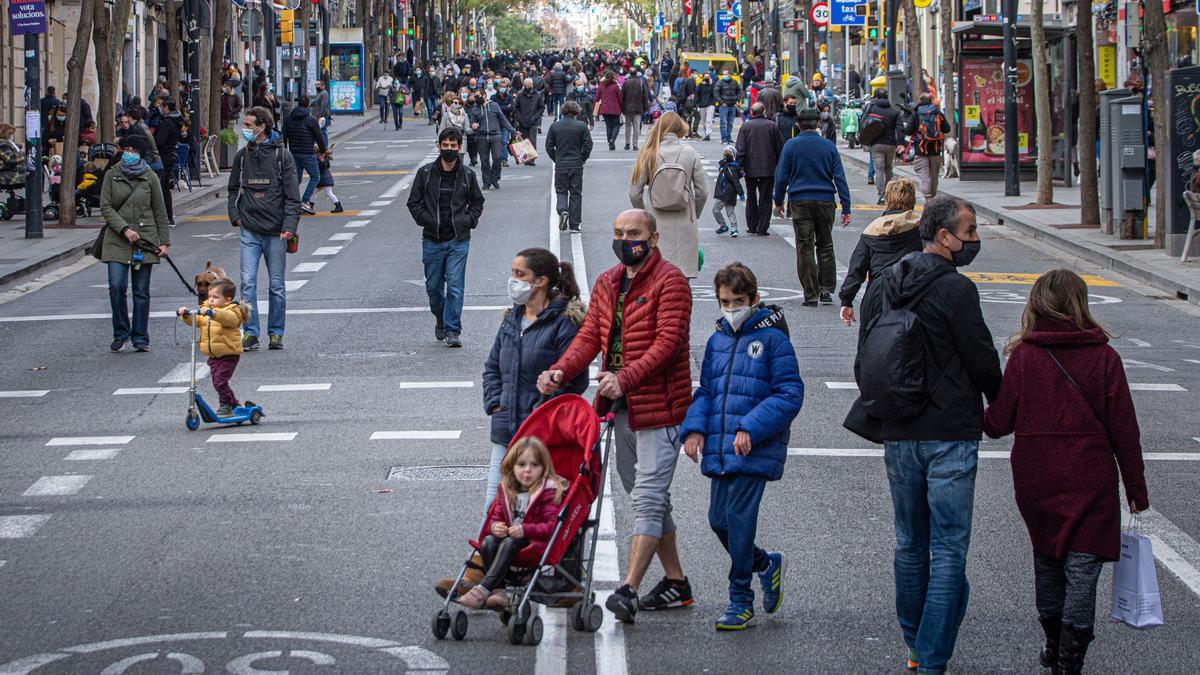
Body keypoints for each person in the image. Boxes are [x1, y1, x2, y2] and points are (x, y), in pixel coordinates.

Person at [851, 197, 1002, 675]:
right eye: (970, 230)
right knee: (950, 548)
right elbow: (980, 357)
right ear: (944, 236)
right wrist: (1002, 400)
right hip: (949, 431)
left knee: (910, 544)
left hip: (898, 428)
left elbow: (868, 354)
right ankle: (933, 659)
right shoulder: (957, 289)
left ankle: (916, 647)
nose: (974, 239)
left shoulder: (884, 284)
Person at [983, 269, 1149, 675]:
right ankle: (1071, 658)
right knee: (1082, 568)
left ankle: (1053, 642)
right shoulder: (1105, 357)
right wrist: (1136, 488)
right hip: (1088, 474)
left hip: (1036, 475)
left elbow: (998, 423)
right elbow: (1124, 428)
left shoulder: (1024, 356)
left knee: (1047, 559)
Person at [537, 208, 694, 624]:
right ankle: (676, 582)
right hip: (621, 407)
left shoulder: (671, 282)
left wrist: (624, 379)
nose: (626, 239)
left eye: (634, 233)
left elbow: (668, 344)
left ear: (654, 238)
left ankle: (628, 588)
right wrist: (561, 370)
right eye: (619, 232)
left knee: (647, 496)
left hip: (660, 406)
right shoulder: (608, 281)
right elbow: (591, 335)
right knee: (646, 494)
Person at [681, 262, 803, 631]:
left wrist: (750, 426)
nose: (730, 308)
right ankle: (764, 564)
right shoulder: (718, 339)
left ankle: (740, 600)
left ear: (754, 299)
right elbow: (707, 391)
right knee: (718, 520)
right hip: (721, 448)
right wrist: (694, 429)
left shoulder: (772, 339)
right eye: (724, 301)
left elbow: (790, 392)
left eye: (738, 301)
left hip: (754, 448)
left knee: (738, 520)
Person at [458, 436, 569, 610]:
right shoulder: (507, 489)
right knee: (488, 542)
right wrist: (495, 526)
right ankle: (498, 591)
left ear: (544, 468)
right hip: (510, 539)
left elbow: (550, 526)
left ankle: (484, 588)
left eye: (534, 465)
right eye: (522, 465)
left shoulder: (548, 490)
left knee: (509, 542)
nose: (527, 471)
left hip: (533, 542)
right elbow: (495, 517)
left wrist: (525, 529)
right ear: (512, 466)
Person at [228, 106, 301, 352]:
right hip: (249, 228)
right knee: (247, 283)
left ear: (262, 126)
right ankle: (251, 333)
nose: (244, 130)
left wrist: (289, 226)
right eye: (244, 125)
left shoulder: (282, 156)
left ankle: (276, 333)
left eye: (248, 125)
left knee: (276, 285)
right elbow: (232, 189)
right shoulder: (242, 156)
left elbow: (293, 195)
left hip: (276, 231)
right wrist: (235, 215)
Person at [406, 128, 485, 348]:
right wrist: (426, 220)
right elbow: (413, 202)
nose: (449, 149)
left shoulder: (467, 175)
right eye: (445, 145)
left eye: (453, 145)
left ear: (459, 147)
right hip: (432, 239)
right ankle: (441, 317)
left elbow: (477, 202)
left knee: (456, 286)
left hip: (458, 240)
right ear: (438, 146)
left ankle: (452, 330)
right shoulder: (426, 173)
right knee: (433, 287)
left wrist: (468, 220)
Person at [98, 135, 170, 353]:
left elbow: (160, 211)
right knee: (116, 286)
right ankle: (120, 333)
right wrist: (124, 229)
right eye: (126, 149)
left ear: (141, 153)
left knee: (141, 291)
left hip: (144, 241)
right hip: (117, 239)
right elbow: (106, 206)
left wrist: (164, 242)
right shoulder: (112, 175)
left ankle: (140, 337)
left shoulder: (150, 177)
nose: (129, 153)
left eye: (133, 150)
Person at [773, 109, 852, 306]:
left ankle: (811, 293)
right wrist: (846, 206)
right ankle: (826, 289)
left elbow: (781, 176)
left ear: (798, 125)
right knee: (825, 245)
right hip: (825, 199)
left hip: (800, 200)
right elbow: (840, 178)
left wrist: (778, 200)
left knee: (804, 247)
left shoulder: (791, 146)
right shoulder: (828, 146)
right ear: (818, 124)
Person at [629, 112, 708, 278]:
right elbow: (702, 192)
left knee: (656, 276)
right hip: (685, 219)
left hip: (656, 221)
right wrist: (695, 213)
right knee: (682, 277)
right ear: (679, 128)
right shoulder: (690, 153)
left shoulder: (649, 153)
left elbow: (635, 193)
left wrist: (645, 216)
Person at [838, 178, 922, 325]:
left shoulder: (873, 229)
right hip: (913, 295)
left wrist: (847, 300)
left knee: (873, 344)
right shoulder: (922, 229)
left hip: (878, 295)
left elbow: (857, 268)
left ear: (887, 200)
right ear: (913, 200)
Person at [177, 278, 248, 417]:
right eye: (210, 297)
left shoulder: (233, 310)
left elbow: (230, 319)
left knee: (220, 382)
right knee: (218, 381)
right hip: (213, 355)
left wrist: (214, 313)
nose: (211, 300)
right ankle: (234, 404)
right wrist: (185, 315)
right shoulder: (207, 309)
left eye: (215, 297)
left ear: (227, 300)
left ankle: (226, 405)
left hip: (228, 354)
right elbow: (196, 321)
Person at [735, 102, 783, 237]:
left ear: (752, 112)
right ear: (764, 111)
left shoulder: (745, 127)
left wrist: (738, 166)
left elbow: (741, 149)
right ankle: (762, 227)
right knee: (766, 199)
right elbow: (779, 148)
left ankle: (752, 226)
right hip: (768, 168)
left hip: (750, 168)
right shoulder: (772, 126)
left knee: (751, 197)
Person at [545, 101, 593, 232]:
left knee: (561, 191)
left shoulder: (555, 126)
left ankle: (563, 211)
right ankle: (575, 224)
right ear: (577, 112)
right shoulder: (581, 126)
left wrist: (556, 158)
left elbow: (548, 146)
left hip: (561, 163)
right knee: (576, 194)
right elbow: (588, 144)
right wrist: (583, 158)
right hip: (576, 163)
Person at [281, 95, 327, 215]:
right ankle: (304, 201)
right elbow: (319, 137)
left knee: (297, 178)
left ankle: (290, 201)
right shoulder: (311, 120)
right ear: (308, 105)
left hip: (294, 152)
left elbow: (284, 136)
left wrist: (285, 151)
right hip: (307, 152)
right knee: (315, 176)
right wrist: (322, 151)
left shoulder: (288, 118)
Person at [903, 92, 951, 200]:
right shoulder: (937, 112)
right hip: (935, 149)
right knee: (934, 176)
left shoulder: (916, 112)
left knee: (923, 175)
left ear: (920, 100)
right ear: (931, 100)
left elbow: (909, 131)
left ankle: (927, 196)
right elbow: (947, 128)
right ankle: (933, 195)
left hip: (921, 149)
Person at [468, 91, 515, 190]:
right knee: (484, 161)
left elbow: (503, 119)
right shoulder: (475, 108)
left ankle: (495, 178)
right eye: (475, 96)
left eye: (478, 96)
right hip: (481, 137)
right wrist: (473, 125)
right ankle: (486, 181)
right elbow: (472, 122)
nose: (476, 98)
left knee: (497, 158)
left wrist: (513, 131)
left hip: (496, 136)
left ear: (484, 95)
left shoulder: (494, 105)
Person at [862, 89, 901, 204]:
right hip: (890, 144)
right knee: (889, 169)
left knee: (879, 169)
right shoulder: (894, 112)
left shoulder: (872, 109)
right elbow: (899, 129)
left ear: (877, 98)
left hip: (876, 144)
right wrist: (901, 144)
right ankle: (890, 194)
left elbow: (863, 122)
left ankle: (881, 195)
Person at [152, 98, 185, 226]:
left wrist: (153, 138)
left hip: (164, 156)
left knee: (162, 187)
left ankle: (166, 217)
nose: (160, 108)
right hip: (170, 154)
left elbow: (160, 141)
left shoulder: (167, 122)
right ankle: (168, 216)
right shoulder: (177, 120)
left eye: (161, 105)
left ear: (166, 108)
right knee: (165, 186)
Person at [712, 145, 745, 238]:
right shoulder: (728, 166)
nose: (726, 154)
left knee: (715, 210)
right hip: (729, 193)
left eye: (728, 153)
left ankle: (723, 225)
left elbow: (735, 181)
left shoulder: (730, 168)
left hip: (724, 193)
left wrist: (741, 193)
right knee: (730, 212)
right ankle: (734, 229)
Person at [514, 78, 545, 165]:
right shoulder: (520, 95)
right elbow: (516, 107)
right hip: (522, 121)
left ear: (532, 86)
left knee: (532, 140)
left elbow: (541, 107)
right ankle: (526, 158)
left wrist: (535, 116)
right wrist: (519, 118)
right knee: (524, 141)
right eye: (526, 85)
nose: (527, 87)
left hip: (533, 121)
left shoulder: (538, 95)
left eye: (529, 85)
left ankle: (531, 159)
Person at [621, 69, 648, 150]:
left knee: (628, 126)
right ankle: (635, 144)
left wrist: (622, 108)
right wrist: (645, 108)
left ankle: (627, 143)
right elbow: (645, 97)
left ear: (630, 74)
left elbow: (622, 96)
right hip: (638, 107)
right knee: (636, 126)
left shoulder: (626, 83)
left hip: (627, 108)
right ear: (637, 74)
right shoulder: (641, 83)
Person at [597, 71, 624, 151]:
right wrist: (622, 108)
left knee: (608, 126)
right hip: (615, 109)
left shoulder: (601, 85)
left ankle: (609, 141)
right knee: (616, 125)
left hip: (604, 109)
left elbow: (597, 97)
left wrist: (594, 108)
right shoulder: (615, 86)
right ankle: (612, 139)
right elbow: (620, 98)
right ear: (613, 77)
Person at [715, 70, 742, 145]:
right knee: (723, 122)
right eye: (724, 74)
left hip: (732, 105)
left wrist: (737, 99)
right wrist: (722, 102)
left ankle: (728, 138)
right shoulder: (720, 82)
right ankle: (724, 138)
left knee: (730, 123)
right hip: (724, 106)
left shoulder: (734, 82)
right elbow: (716, 93)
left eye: (726, 74)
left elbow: (739, 91)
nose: (724, 75)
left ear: (730, 74)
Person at [315, 146, 343, 213]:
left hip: (324, 179)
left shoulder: (321, 159)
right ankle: (338, 205)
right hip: (325, 178)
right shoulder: (325, 158)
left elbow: (322, 167)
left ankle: (339, 206)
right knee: (315, 193)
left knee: (328, 193)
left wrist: (321, 161)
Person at [696, 73, 716, 141]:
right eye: (706, 77)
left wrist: (710, 84)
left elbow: (714, 93)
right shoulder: (700, 85)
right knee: (703, 120)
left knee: (708, 120)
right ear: (703, 77)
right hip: (702, 105)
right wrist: (697, 104)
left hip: (710, 104)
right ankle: (706, 133)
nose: (707, 78)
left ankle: (708, 134)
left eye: (708, 77)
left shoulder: (712, 84)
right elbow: (697, 94)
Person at [314, 81, 332, 146]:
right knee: (321, 131)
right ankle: (322, 146)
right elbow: (316, 102)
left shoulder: (324, 93)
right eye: (316, 85)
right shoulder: (320, 93)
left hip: (323, 116)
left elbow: (323, 105)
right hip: (320, 115)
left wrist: (320, 116)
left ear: (323, 86)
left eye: (318, 85)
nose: (317, 86)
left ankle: (325, 146)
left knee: (323, 131)